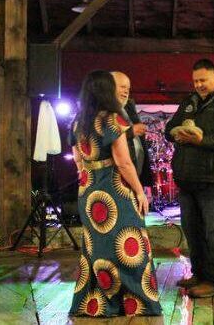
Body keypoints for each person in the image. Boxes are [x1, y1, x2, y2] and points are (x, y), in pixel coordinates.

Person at [69, 71, 161, 317]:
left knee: (96, 247)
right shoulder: (112, 119)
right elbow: (124, 162)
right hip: (114, 188)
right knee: (130, 242)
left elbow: (77, 158)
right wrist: (140, 192)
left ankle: (95, 302)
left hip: (88, 190)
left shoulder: (78, 121)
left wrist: (87, 175)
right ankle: (135, 302)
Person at [165, 59, 214, 298]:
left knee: (213, 231)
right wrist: (176, 134)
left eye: (203, 80)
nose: (199, 85)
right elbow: (170, 127)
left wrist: (200, 140)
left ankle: (213, 280)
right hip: (187, 177)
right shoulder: (189, 101)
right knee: (193, 229)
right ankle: (199, 273)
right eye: (195, 81)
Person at [111, 71, 154, 193]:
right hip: (117, 181)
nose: (126, 91)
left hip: (134, 176)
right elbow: (106, 140)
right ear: (110, 87)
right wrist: (131, 132)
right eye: (122, 87)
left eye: (128, 88)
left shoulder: (128, 107)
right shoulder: (104, 113)